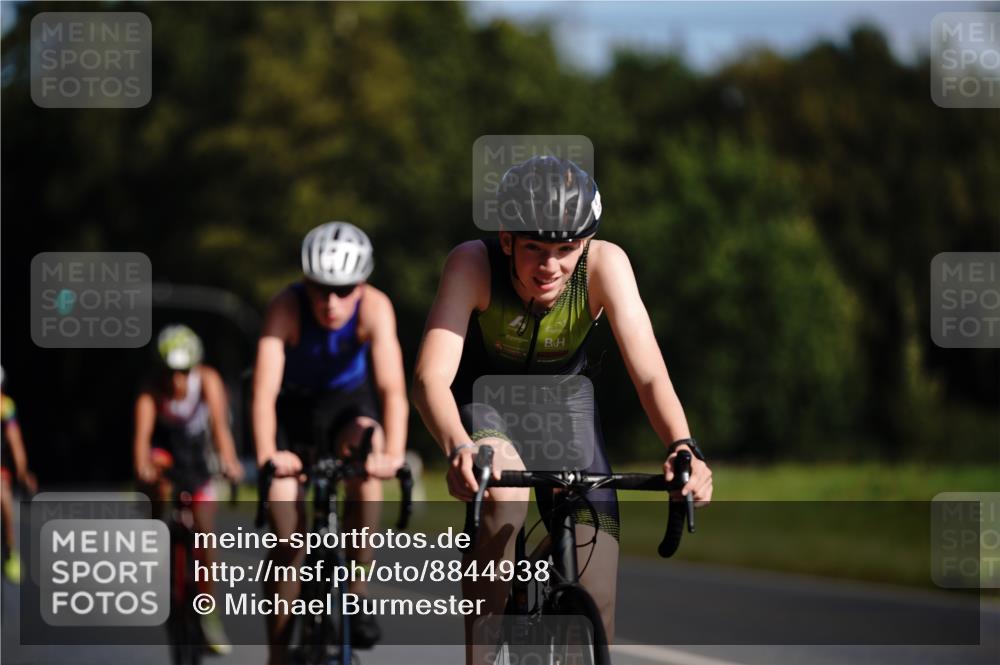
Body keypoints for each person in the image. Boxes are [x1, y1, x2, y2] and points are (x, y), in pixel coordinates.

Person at [412, 155, 714, 662]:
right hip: (486, 403)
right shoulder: (472, 264)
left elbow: (649, 374)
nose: (549, 266)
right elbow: (429, 379)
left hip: (563, 408)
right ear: (507, 239)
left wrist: (683, 447)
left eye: (566, 249)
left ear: (586, 243)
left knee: (599, 598)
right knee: (505, 497)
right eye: (534, 248)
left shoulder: (606, 264)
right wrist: (460, 448)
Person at [252, 221, 408, 663]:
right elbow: (263, 393)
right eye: (320, 289)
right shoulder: (285, 306)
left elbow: (393, 391)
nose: (331, 302)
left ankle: (356, 591)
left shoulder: (376, 307)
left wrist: (393, 455)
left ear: (362, 284)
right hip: (293, 410)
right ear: (305, 282)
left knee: (368, 451)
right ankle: (278, 654)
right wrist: (268, 455)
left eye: (343, 290)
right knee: (287, 537)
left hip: (346, 407)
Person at [133, 324, 244, 654]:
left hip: (197, 460)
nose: (176, 380)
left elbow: (220, 429)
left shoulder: (208, 380)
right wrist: (143, 469)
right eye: (169, 372)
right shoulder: (150, 392)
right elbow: (141, 442)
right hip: (165, 457)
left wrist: (230, 462)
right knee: (158, 481)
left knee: (206, 532)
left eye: (183, 372)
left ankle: (208, 611)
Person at [1, 365, 37, 584]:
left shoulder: (6, 407)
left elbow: (15, 441)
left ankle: (10, 547)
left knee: (3, 495)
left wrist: (23, 472)